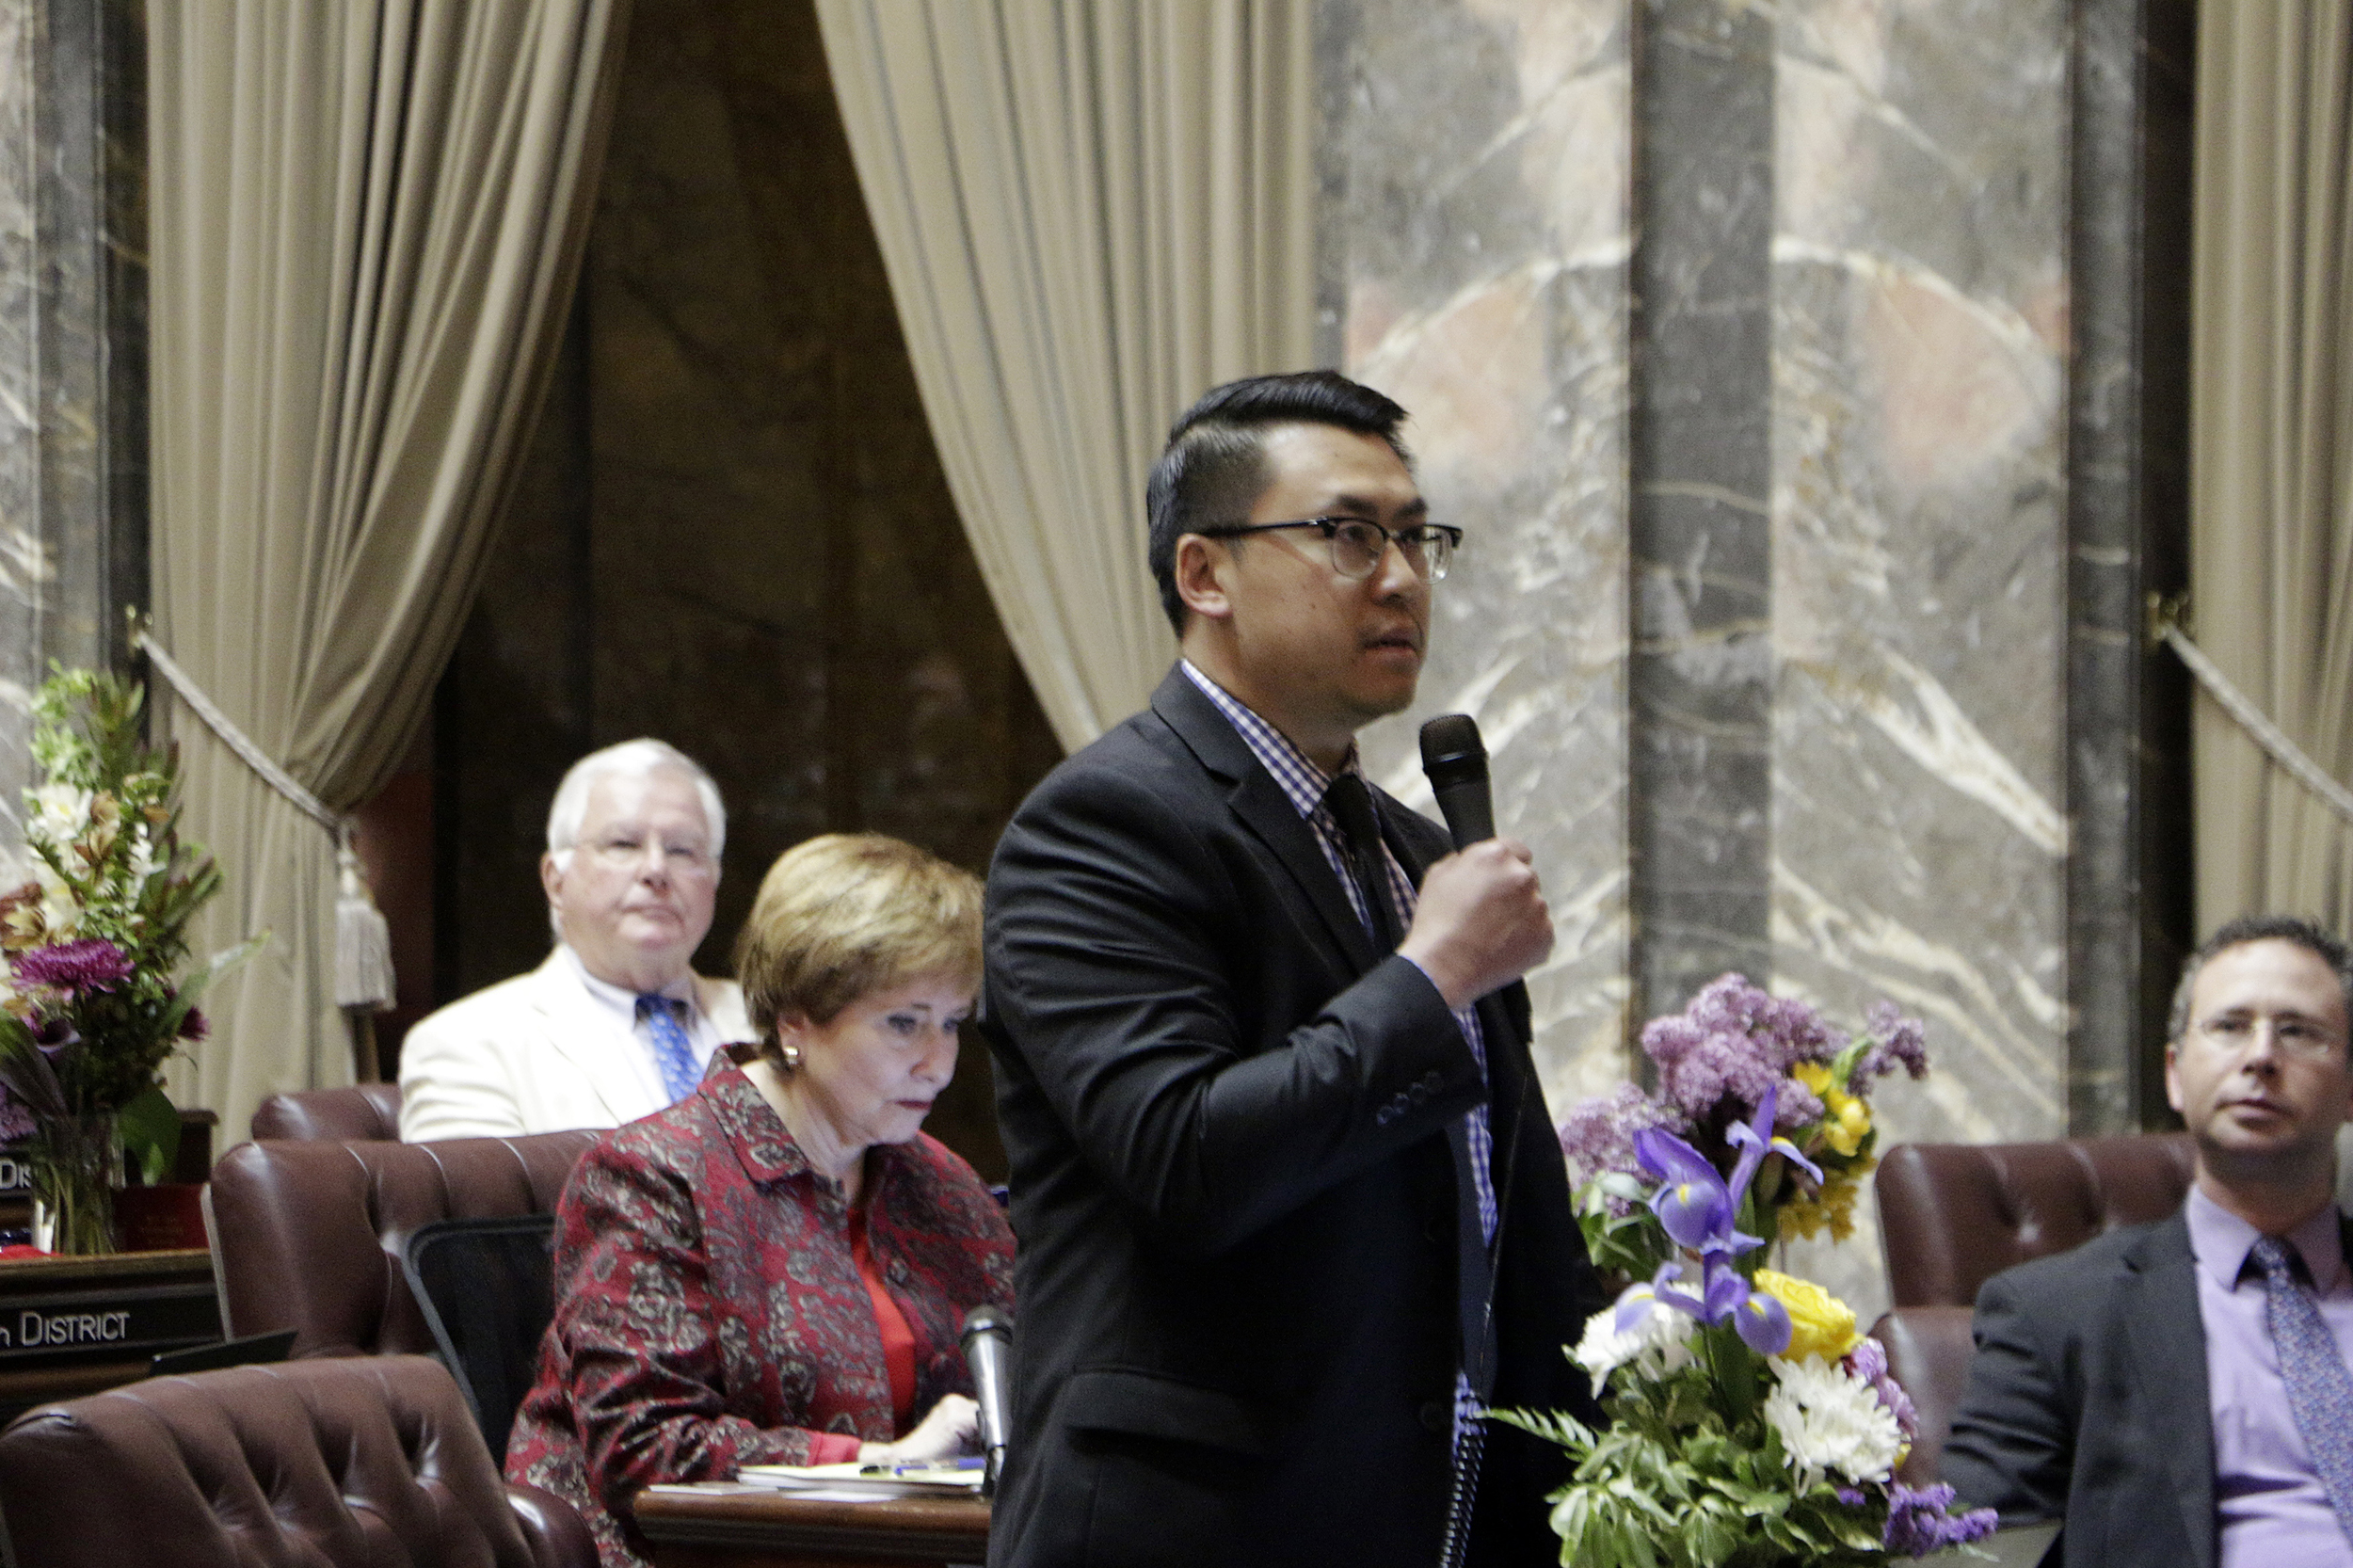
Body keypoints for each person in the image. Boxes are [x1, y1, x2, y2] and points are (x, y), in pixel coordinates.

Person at [980, 371, 1605, 1568]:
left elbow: (1505, 1221)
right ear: (1203, 573)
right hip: (1197, 1529)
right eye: (1348, 534)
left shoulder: (1415, 851)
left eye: (1417, 536)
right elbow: (1186, 1156)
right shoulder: (1105, 824)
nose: (1402, 576)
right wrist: (1431, 976)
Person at [505, 832, 1016, 1568]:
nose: (938, 1063)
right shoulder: (654, 1177)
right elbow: (644, 1448)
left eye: (951, 1023)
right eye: (904, 1022)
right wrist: (882, 1464)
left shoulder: (940, 1185)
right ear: (797, 1017)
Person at [1943, 914, 2353, 1566]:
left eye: (2299, 1031)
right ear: (2174, 1074)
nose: (2261, 1057)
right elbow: (1974, 1553)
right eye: (2228, 1026)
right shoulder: (2053, 1315)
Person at [398, 739, 751, 1142]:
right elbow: (486, 1204)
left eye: (683, 850)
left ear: (715, 881)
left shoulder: (780, 1025)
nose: (656, 869)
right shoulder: (467, 1045)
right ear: (556, 882)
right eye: (623, 844)